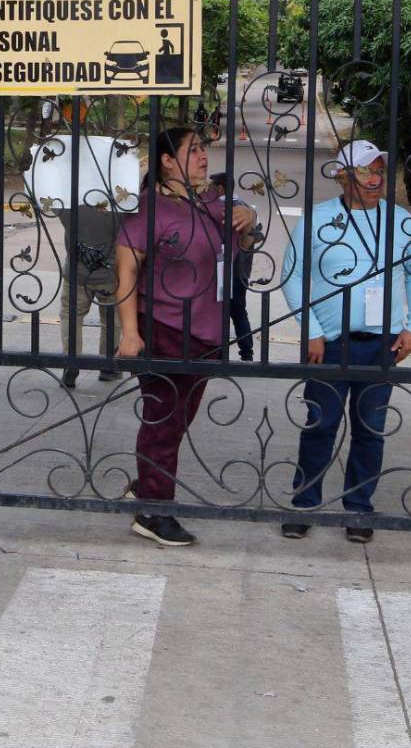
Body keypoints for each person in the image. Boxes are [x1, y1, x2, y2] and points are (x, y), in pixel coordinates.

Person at [115, 127, 257, 546]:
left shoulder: (213, 202)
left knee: (175, 423)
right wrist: (129, 333)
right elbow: (125, 268)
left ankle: (146, 486)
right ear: (166, 160)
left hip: (207, 332)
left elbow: (240, 244)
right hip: (165, 328)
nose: (203, 156)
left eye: (204, 149)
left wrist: (249, 219)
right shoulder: (150, 208)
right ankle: (153, 512)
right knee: (164, 421)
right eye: (192, 150)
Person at [280, 139, 411, 543]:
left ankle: (359, 508)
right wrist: (310, 329)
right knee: (319, 425)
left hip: (383, 343)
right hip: (329, 343)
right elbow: (291, 275)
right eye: (366, 171)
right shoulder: (319, 219)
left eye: (380, 170)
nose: (376, 178)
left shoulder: (400, 221)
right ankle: (304, 503)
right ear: (343, 176)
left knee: (370, 428)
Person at [57, 201, 122, 388]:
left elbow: (50, 201)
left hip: (77, 273)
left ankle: (72, 359)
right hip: (110, 272)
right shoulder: (117, 201)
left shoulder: (70, 200)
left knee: (71, 315)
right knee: (111, 317)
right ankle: (109, 363)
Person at [209, 171, 255, 361]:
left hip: (226, 268)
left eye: (212, 187)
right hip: (242, 269)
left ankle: (222, 355)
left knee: (220, 311)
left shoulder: (223, 208)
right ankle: (247, 354)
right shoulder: (244, 207)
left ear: (219, 188)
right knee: (238, 311)